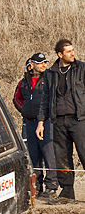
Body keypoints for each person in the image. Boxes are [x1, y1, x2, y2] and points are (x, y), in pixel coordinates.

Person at [37, 39, 85, 200]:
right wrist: (41, 122)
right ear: (60, 54)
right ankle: (67, 193)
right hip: (58, 122)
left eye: (73, 50)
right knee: (61, 157)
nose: (73, 53)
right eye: (69, 51)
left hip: (79, 120)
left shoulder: (82, 68)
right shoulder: (51, 73)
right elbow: (45, 100)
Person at [14, 53, 59, 198]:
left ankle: (51, 186)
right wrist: (26, 111)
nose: (44, 65)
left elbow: (54, 99)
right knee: (32, 155)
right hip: (29, 123)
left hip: (46, 122)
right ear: (31, 65)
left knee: (48, 153)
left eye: (45, 62)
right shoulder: (23, 82)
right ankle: (37, 186)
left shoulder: (49, 79)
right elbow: (17, 99)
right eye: (40, 63)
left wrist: (46, 115)